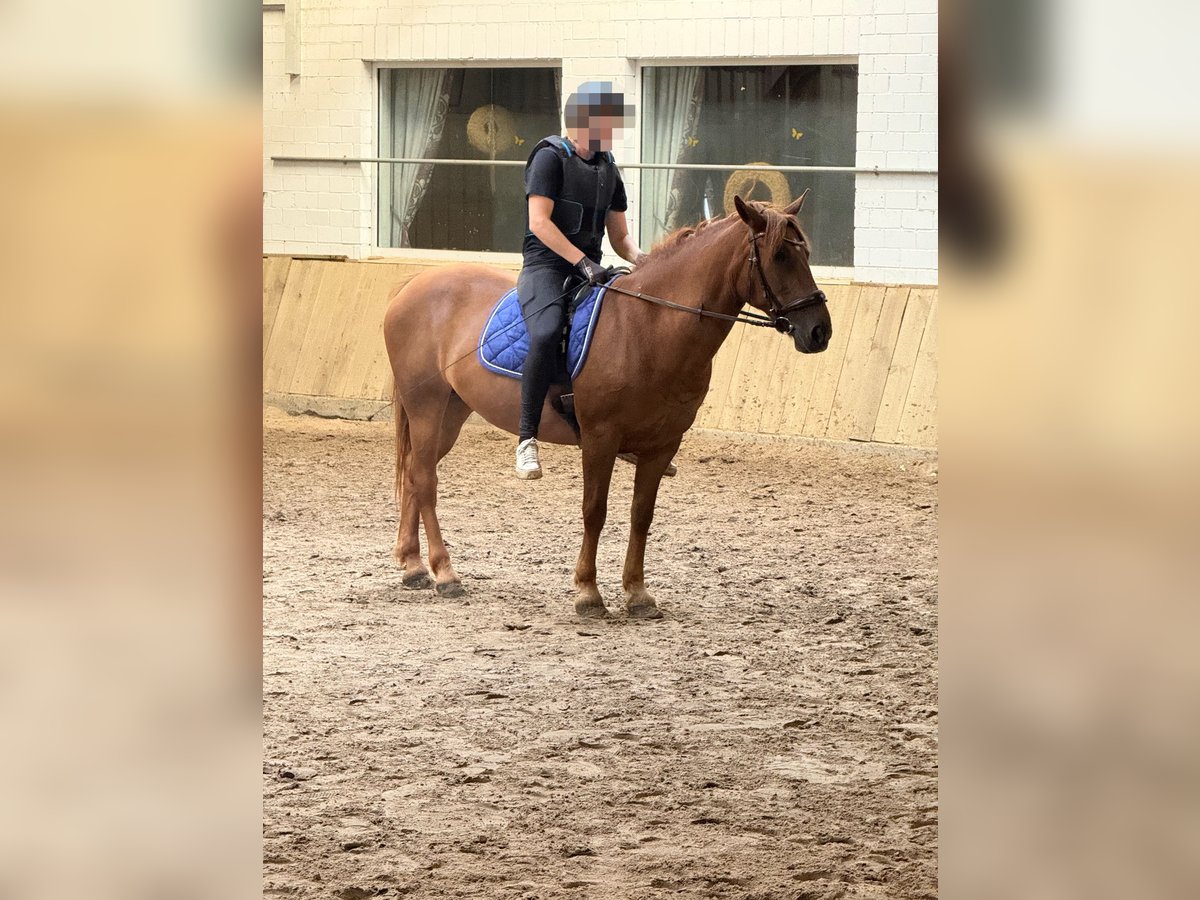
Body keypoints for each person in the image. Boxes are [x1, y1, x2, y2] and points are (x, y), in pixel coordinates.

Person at [514, 81, 648, 479]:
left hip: (591, 269)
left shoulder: (608, 168)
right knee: (546, 331)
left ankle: (624, 433)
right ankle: (526, 438)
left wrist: (645, 261)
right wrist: (581, 262)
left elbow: (620, 237)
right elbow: (539, 223)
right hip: (546, 266)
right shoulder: (550, 157)